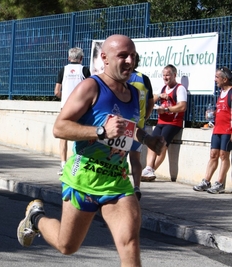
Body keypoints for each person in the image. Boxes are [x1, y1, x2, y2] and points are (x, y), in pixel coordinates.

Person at [17, 34, 165, 266]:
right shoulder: (91, 86)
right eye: (123, 56)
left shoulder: (135, 93)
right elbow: (60, 127)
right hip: (83, 179)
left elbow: (129, 127)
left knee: (130, 243)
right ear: (104, 58)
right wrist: (100, 131)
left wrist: (147, 139)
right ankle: (35, 219)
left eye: (133, 56)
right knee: (67, 246)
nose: (129, 61)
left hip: (117, 181)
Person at [141, 64, 188, 181]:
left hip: (173, 122)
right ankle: (148, 168)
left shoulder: (180, 88)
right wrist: (159, 96)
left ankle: (151, 170)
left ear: (174, 75)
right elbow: (152, 99)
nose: (165, 77)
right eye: (164, 75)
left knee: (162, 145)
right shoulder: (163, 88)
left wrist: (167, 109)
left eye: (168, 75)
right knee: (151, 142)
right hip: (161, 121)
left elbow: (182, 107)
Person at [193, 67, 232, 194]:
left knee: (223, 155)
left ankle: (220, 183)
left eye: (217, 77)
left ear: (225, 79)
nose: (215, 80)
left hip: (227, 129)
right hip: (217, 129)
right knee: (213, 154)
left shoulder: (231, 93)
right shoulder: (221, 92)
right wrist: (212, 114)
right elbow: (222, 110)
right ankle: (206, 181)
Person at [54, 47, 91, 175]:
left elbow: (56, 91)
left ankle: (63, 165)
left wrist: (64, 98)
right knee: (81, 135)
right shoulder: (85, 70)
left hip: (65, 107)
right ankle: (78, 165)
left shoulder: (63, 70)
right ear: (81, 58)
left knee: (63, 136)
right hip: (81, 108)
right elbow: (90, 89)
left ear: (69, 58)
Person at [127, 53, 154, 198]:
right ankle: (136, 186)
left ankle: (120, 186)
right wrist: (145, 116)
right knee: (135, 158)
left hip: (122, 124)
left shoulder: (121, 77)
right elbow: (151, 101)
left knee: (117, 157)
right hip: (139, 124)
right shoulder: (144, 79)